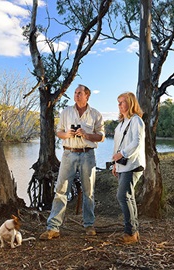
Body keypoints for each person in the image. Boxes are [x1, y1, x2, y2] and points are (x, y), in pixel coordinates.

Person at [39, 84, 105, 240]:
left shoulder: (95, 114)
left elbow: (101, 136)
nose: (76, 95)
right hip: (69, 154)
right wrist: (66, 134)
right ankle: (53, 227)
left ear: (87, 95)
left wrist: (87, 135)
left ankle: (89, 224)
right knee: (61, 190)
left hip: (87, 155)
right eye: (75, 93)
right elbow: (59, 132)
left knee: (88, 192)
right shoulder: (66, 112)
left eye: (80, 93)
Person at [111, 92, 146, 244]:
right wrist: (115, 164)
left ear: (130, 103)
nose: (119, 105)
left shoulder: (136, 120)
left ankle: (130, 232)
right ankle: (133, 231)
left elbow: (136, 142)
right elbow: (117, 146)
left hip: (133, 164)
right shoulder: (120, 124)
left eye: (122, 102)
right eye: (118, 102)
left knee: (122, 196)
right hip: (123, 166)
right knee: (128, 196)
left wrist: (122, 154)